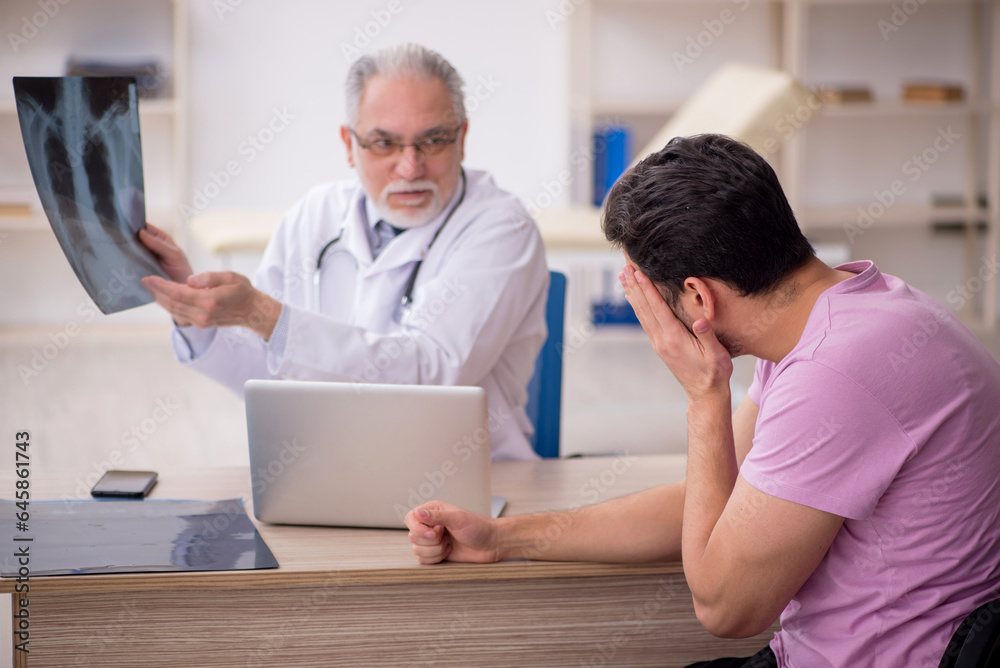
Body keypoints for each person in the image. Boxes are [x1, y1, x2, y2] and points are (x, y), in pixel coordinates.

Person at [405, 134, 1000, 666]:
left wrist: (704, 398)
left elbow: (724, 609)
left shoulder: (835, 371)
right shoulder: (842, 310)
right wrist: (505, 537)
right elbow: (716, 499)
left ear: (696, 297)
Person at [138, 44, 549, 461]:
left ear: (462, 138)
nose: (409, 167)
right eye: (384, 143)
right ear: (349, 145)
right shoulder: (314, 214)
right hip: (325, 471)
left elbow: (433, 376)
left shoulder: (502, 228)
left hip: (464, 483)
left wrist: (262, 313)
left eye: (433, 140)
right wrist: (194, 305)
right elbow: (265, 374)